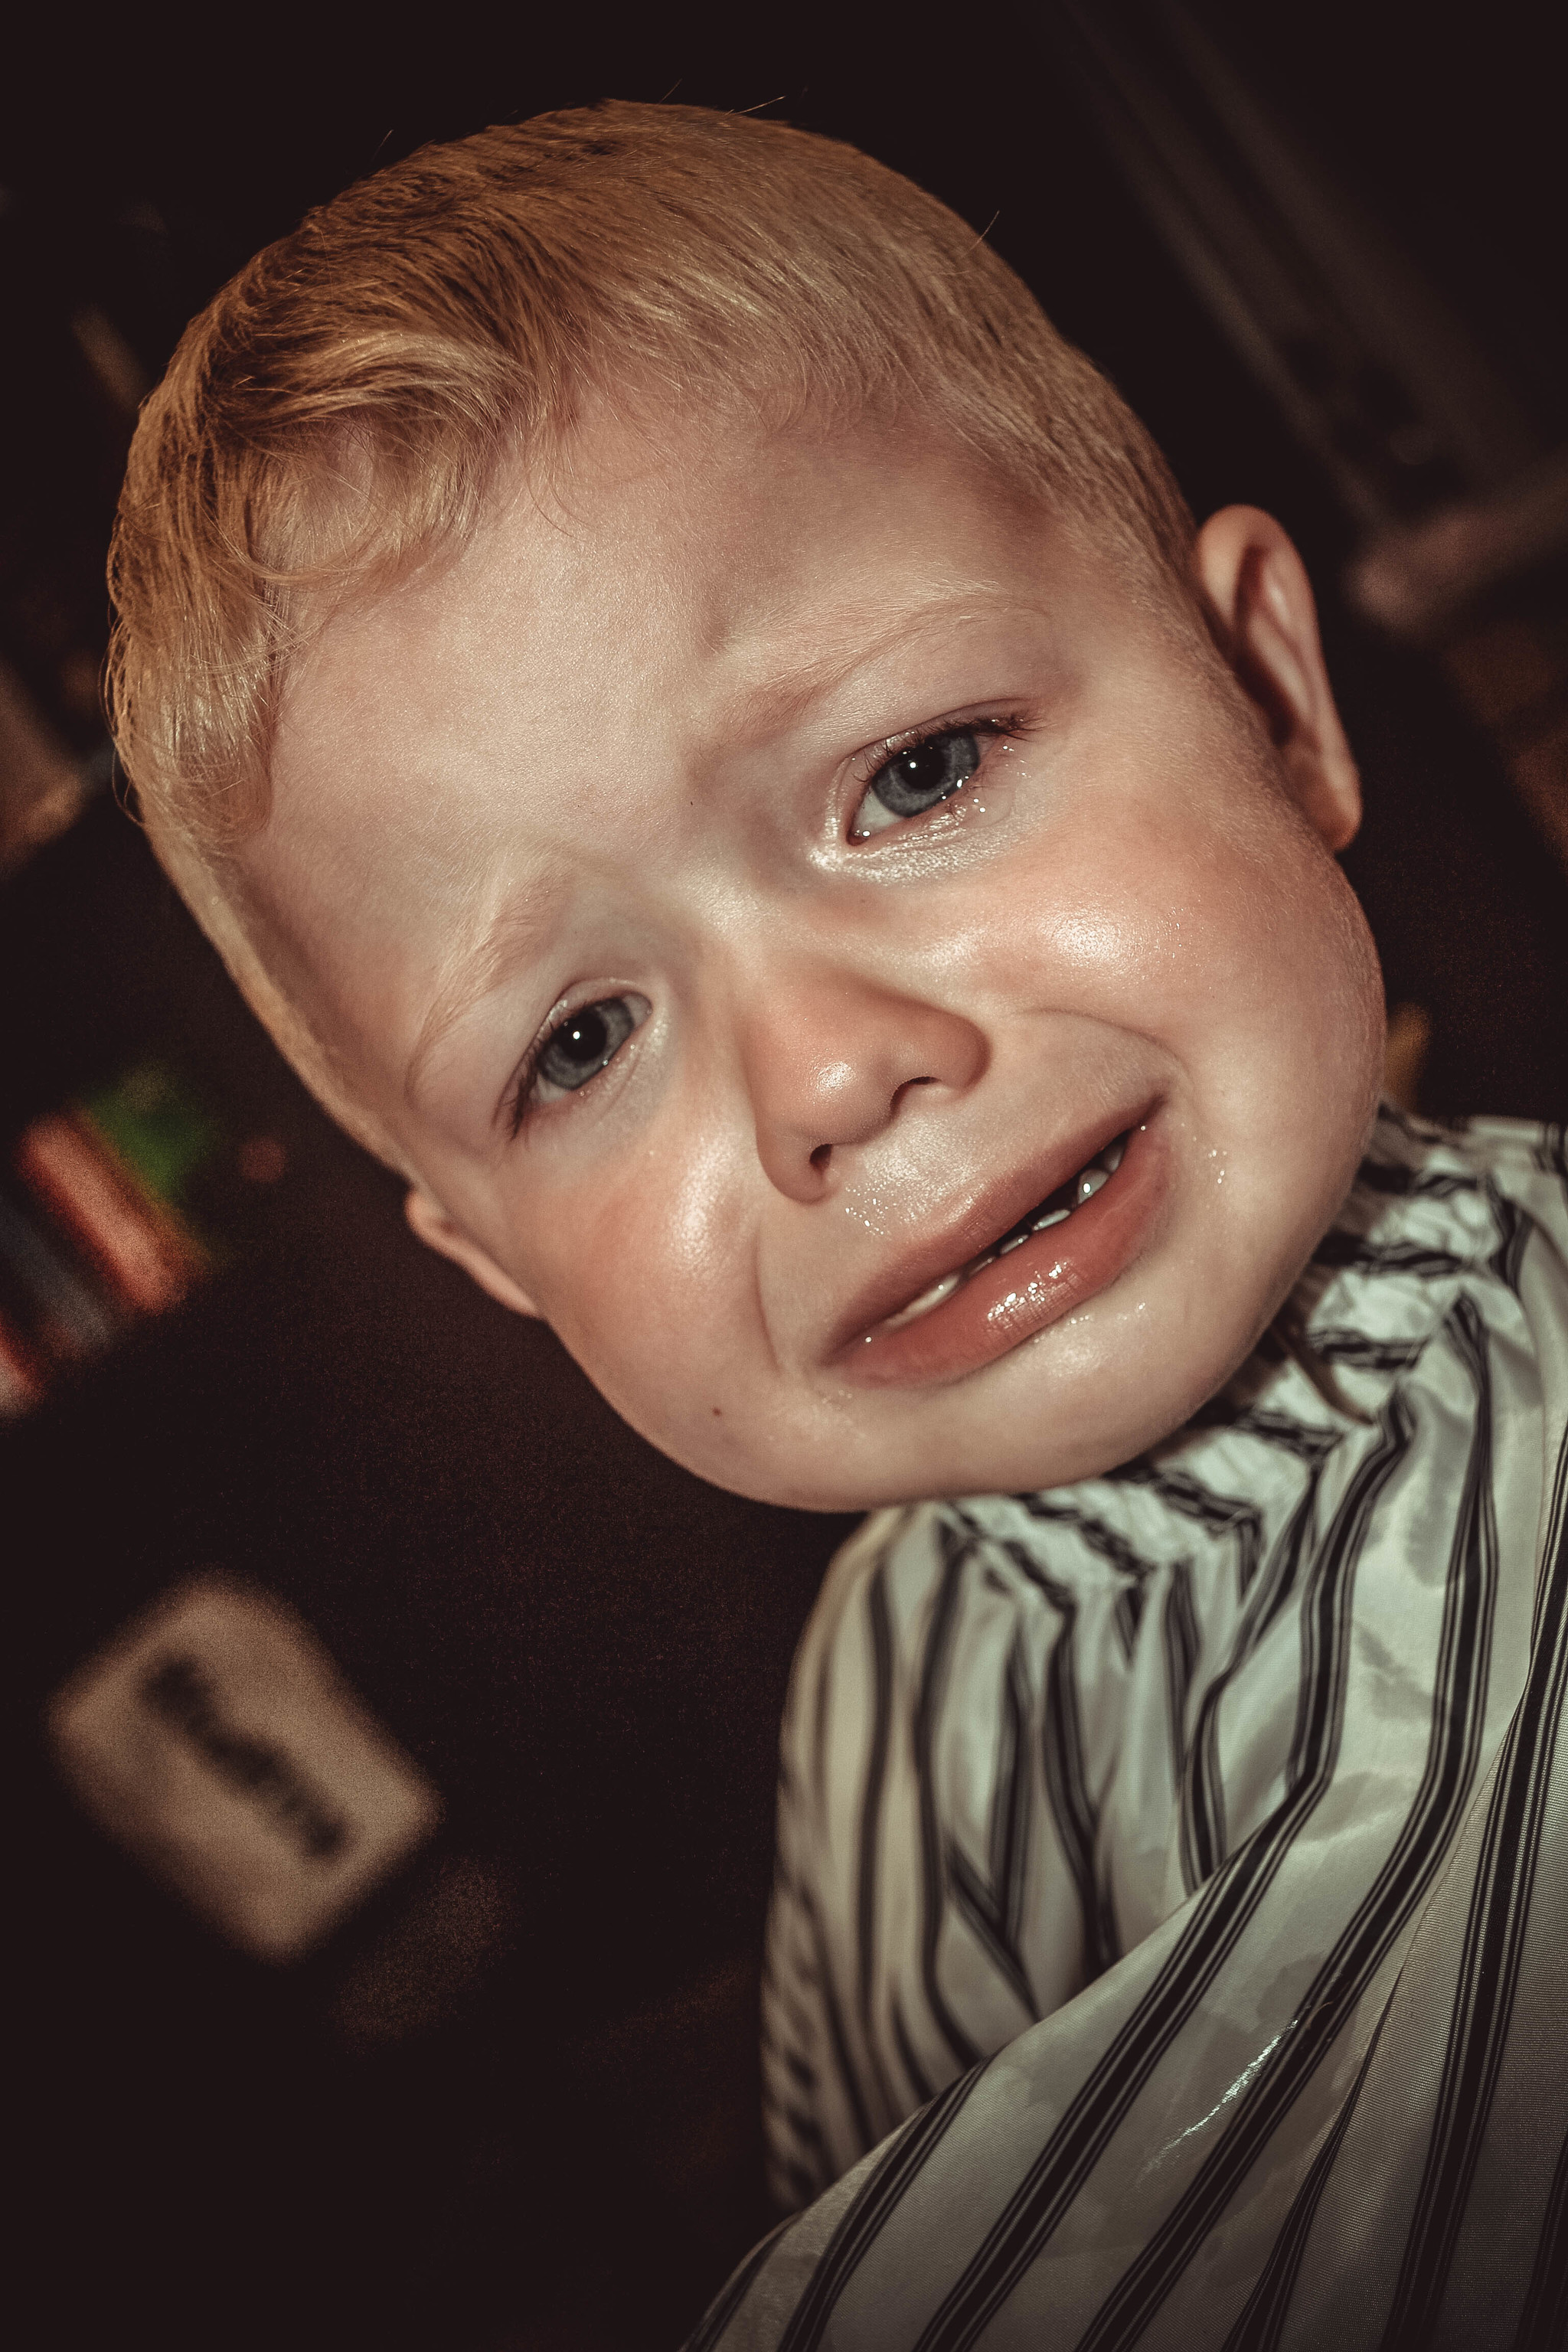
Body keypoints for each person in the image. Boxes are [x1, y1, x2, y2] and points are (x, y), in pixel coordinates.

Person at [106, 102, 1566, 2350]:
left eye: (920, 772)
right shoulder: (871, 1686)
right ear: (495, 1258)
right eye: (578, 1043)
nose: (823, 1074)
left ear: (1273, 697)